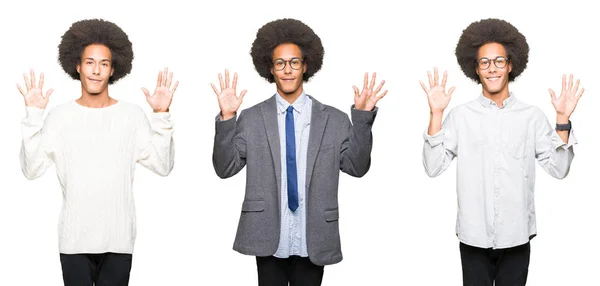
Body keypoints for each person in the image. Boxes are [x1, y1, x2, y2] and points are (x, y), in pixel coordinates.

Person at [211, 18, 387, 285]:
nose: (287, 70)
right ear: (270, 69)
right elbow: (224, 169)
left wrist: (362, 118)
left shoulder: (335, 120)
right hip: (268, 235)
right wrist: (227, 118)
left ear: (306, 66)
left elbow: (358, 167)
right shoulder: (251, 118)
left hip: (313, 236)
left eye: (294, 62)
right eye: (280, 63)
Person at [420, 18, 584, 286]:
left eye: (499, 61)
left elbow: (559, 168)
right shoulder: (460, 116)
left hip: (517, 236)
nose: (492, 68)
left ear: (510, 65)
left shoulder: (531, 116)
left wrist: (562, 120)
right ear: (475, 68)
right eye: (484, 62)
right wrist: (436, 114)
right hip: (473, 237)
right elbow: (432, 166)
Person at [17, 18, 178, 286]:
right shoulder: (60, 117)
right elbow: (31, 169)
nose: (95, 71)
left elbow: (163, 165)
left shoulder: (131, 115)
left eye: (103, 64)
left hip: (118, 241)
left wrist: (161, 115)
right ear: (77, 66)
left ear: (113, 69)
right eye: (89, 62)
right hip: (74, 241)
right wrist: (33, 115)